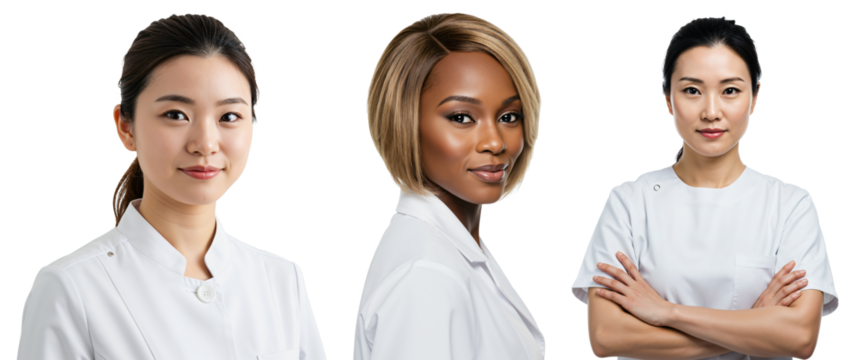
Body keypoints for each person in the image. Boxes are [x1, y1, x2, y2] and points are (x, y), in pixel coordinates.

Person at [16, 13, 327, 359]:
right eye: (176, 115)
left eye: (229, 117)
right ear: (125, 127)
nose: (205, 144)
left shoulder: (282, 281)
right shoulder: (70, 287)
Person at [569, 16, 839, 360]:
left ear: (755, 98)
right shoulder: (629, 201)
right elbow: (607, 336)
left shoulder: (790, 205)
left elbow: (800, 337)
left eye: (730, 91)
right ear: (668, 99)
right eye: (692, 91)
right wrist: (753, 325)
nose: (711, 112)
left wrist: (666, 312)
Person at [352, 12, 545, 360]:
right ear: (405, 121)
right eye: (461, 118)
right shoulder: (427, 275)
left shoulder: (456, 248)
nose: (495, 142)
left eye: (508, 117)